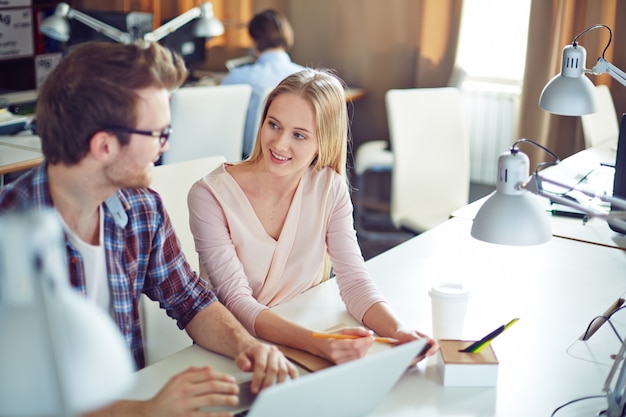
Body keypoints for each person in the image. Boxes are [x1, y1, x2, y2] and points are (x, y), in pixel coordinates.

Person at [0, 41, 297, 416]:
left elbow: (191, 302)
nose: (165, 147)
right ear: (104, 145)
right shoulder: (9, 235)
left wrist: (247, 345)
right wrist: (147, 410)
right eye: (157, 134)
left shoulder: (142, 209)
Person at [188, 69, 439, 365]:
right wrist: (317, 345)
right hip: (235, 349)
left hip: (300, 336)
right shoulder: (209, 195)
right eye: (274, 125)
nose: (280, 144)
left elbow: (354, 281)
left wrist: (399, 332)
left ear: (323, 141)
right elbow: (237, 302)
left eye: (299, 135)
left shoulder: (329, 188)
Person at [221, 9, 305, 158]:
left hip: (250, 156)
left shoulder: (237, 77)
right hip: (293, 156)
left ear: (254, 42)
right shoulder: (308, 76)